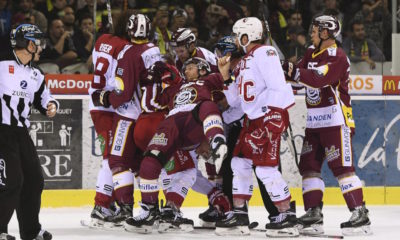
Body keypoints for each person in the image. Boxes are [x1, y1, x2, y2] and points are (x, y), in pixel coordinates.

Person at [281, 15, 372, 236]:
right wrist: (282, 69)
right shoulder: (311, 53)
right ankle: (314, 213)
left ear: (325, 32)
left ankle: (360, 214)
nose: (310, 32)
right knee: (308, 166)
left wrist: (293, 70)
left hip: (335, 120)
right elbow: (297, 78)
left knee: (341, 168)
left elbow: (317, 79)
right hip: (314, 122)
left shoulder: (337, 56)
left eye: (314, 29)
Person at [123, 57, 229, 234]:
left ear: (202, 70)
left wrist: (223, 69)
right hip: (171, 121)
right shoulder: (175, 87)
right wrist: (152, 81)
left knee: (207, 106)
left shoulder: (207, 80)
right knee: (150, 162)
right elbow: (152, 104)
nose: (186, 71)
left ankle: (217, 140)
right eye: (185, 68)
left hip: (193, 119)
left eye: (191, 67)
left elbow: (224, 81)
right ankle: (150, 210)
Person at [216, 17, 298, 238]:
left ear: (246, 36)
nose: (234, 40)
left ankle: (286, 215)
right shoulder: (243, 61)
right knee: (238, 163)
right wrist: (225, 76)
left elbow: (278, 87)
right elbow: (235, 100)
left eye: (237, 35)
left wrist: (272, 117)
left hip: (268, 117)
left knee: (265, 170)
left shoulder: (265, 53)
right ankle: (240, 214)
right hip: (252, 121)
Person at [91, 13, 162, 224]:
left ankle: (124, 207)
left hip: (127, 115)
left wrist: (105, 97)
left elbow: (123, 93)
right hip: (149, 112)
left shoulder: (125, 51)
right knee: (142, 162)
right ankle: (153, 207)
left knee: (117, 160)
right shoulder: (154, 49)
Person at [0, 24, 57, 240]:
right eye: (38, 42)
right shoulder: (2, 65)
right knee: (11, 181)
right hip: (1, 132)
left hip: (21, 134)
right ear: (29, 44)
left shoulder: (36, 74)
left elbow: (45, 98)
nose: (41, 47)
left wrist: (52, 105)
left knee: (34, 181)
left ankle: (31, 231)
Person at [87, 12, 130, 228]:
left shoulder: (102, 39)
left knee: (115, 155)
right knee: (110, 157)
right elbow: (120, 81)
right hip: (108, 104)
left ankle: (109, 203)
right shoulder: (125, 46)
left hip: (97, 102)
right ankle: (101, 206)